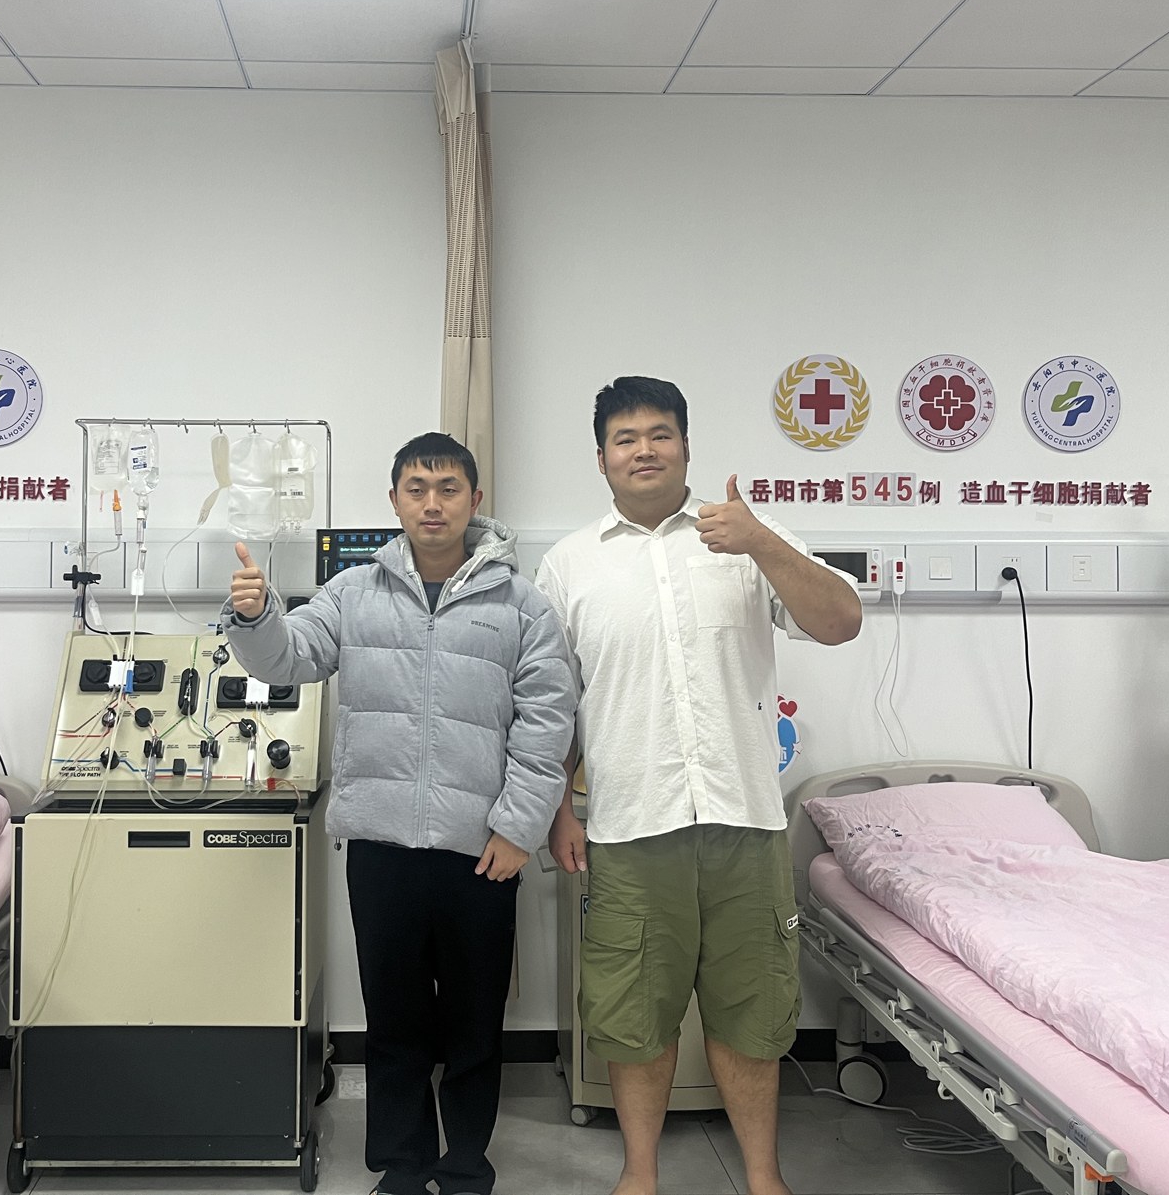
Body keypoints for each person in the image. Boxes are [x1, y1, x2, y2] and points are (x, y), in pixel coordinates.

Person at [225, 431, 575, 1195]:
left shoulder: (522, 605)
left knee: (475, 1022)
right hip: (381, 846)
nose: (432, 503)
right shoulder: (354, 591)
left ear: (475, 500)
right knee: (394, 1018)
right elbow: (290, 658)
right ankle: (404, 1163)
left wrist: (519, 825)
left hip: (483, 849)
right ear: (394, 500)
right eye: (417, 488)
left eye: (448, 488)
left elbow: (548, 719)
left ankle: (466, 1162)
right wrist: (255, 617)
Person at [536, 377, 862, 1195]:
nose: (643, 449)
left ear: (686, 445)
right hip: (629, 825)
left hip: (743, 820)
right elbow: (553, 699)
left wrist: (760, 542)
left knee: (752, 1011)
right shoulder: (568, 563)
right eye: (625, 438)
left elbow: (840, 621)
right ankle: (639, 1175)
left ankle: (763, 1177)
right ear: (602, 458)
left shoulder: (745, 537)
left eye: (660, 433)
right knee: (634, 1014)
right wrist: (556, 809)